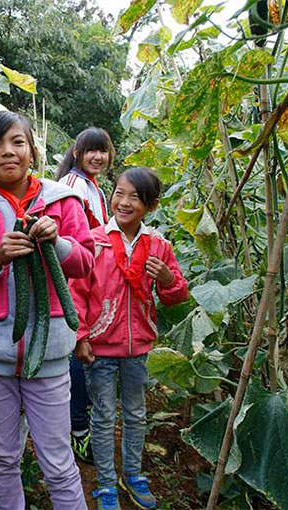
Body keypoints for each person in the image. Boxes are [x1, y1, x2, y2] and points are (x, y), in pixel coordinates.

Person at [0, 110, 94, 510]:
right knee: (1, 458)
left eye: (17, 142)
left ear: (33, 151)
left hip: (49, 354)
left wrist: (59, 243)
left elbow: (86, 264)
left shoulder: (64, 202)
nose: (7, 151)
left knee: (58, 462)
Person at [70, 167, 189, 510]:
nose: (124, 202)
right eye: (119, 193)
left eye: (135, 197)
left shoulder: (158, 246)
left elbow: (176, 296)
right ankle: (107, 483)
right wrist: (81, 337)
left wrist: (167, 279)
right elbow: (77, 293)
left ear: (150, 205)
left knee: (136, 414)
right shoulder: (95, 241)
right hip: (100, 350)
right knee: (103, 416)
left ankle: (133, 474)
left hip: (138, 349)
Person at [55, 127, 116, 463]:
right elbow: (73, 235)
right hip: (75, 278)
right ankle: (77, 427)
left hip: (87, 275)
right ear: (77, 152)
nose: (97, 157)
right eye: (91, 150)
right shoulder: (73, 185)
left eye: (102, 151)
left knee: (83, 347)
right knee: (79, 349)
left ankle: (79, 420)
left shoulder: (91, 185)